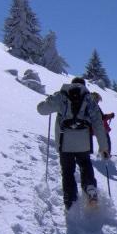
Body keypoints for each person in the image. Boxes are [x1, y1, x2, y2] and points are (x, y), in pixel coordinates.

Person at [37, 77, 109, 210]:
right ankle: (90, 188)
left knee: (68, 172)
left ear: (72, 84)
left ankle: (70, 203)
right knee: (85, 165)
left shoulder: (61, 96)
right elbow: (98, 124)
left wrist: (48, 101)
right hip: (84, 143)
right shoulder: (90, 100)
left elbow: (41, 110)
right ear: (84, 86)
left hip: (65, 143)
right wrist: (103, 147)